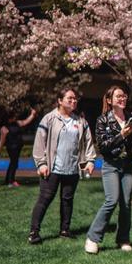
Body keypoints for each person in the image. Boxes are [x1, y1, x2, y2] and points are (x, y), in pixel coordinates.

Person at [28, 88, 96, 245]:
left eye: (75, 99)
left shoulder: (80, 121)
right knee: (45, 199)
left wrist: (90, 161)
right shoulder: (49, 119)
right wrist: (42, 163)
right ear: (60, 100)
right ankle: (34, 232)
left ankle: (65, 230)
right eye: (69, 98)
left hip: (72, 169)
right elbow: (39, 143)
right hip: (52, 169)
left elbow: (88, 142)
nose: (73, 101)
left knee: (67, 200)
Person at [85, 85, 132, 254]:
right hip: (111, 166)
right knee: (112, 200)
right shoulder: (102, 120)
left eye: (124, 96)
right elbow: (103, 147)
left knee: (125, 204)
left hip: (129, 166)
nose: (122, 98)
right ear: (109, 100)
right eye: (118, 96)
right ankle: (92, 238)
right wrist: (122, 135)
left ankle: (123, 239)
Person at [0, 108, 37, 187]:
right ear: (8, 118)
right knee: (14, 163)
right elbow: (2, 140)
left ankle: (8, 180)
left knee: (13, 163)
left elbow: (25, 122)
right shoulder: (4, 128)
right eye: (13, 117)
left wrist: (32, 114)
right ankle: (11, 181)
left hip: (18, 146)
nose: (15, 118)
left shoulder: (16, 123)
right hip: (11, 147)